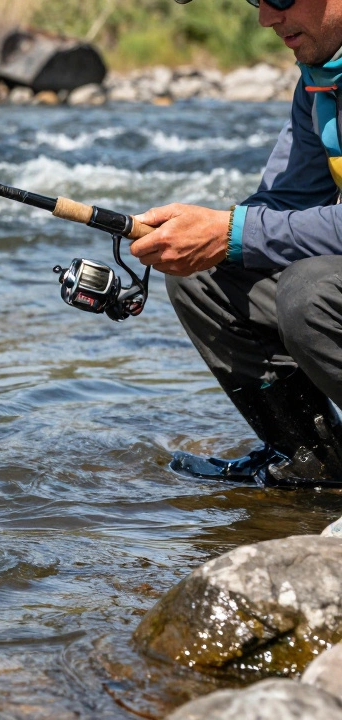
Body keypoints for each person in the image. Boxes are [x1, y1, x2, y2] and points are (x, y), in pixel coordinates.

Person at [135, 0, 342, 486]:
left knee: (309, 295)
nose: (266, 18)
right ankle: (316, 466)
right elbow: (284, 203)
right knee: (206, 274)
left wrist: (231, 232)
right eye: (256, 0)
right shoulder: (320, 78)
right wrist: (188, 233)